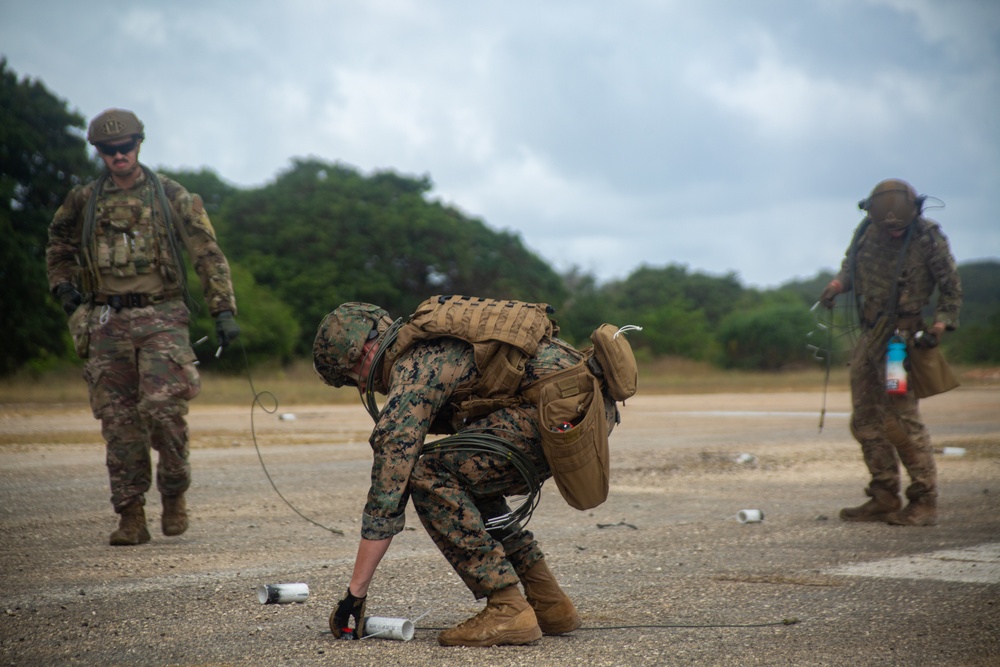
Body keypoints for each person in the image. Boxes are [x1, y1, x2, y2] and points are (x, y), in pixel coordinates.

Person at [312, 298, 620, 647]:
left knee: (428, 473)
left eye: (353, 379)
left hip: (557, 411)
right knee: (464, 471)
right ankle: (549, 603)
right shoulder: (429, 345)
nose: (366, 387)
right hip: (584, 404)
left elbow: (389, 488)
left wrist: (355, 595)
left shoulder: (413, 369)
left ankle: (506, 607)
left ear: (361, 355)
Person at [46, 108, 240, 546]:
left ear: (139, 144)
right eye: (109, 149)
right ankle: (131, 514)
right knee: (118, 422)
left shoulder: (171, 195)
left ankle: (174, 493)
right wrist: (63, 287)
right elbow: (57, 242)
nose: (119, 155)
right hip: (105, 319)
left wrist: (223, 309)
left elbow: (207, 252)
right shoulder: (83, 200)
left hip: (162, 316)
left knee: (165, 411)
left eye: (126, 146)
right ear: (98, 151)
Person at [819, 179, 962, 527]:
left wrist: (939, 327)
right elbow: (850, 268)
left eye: (900, 227)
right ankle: (884, 496)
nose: (893, 231)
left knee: (900, 419)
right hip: (870, 337)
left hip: (901, 340)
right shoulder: (867, 231)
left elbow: (951, 291)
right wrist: (838, 285)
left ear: (914, 212)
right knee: (865, 419)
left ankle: (924, 499)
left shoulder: (928, 237)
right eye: (888, 227)